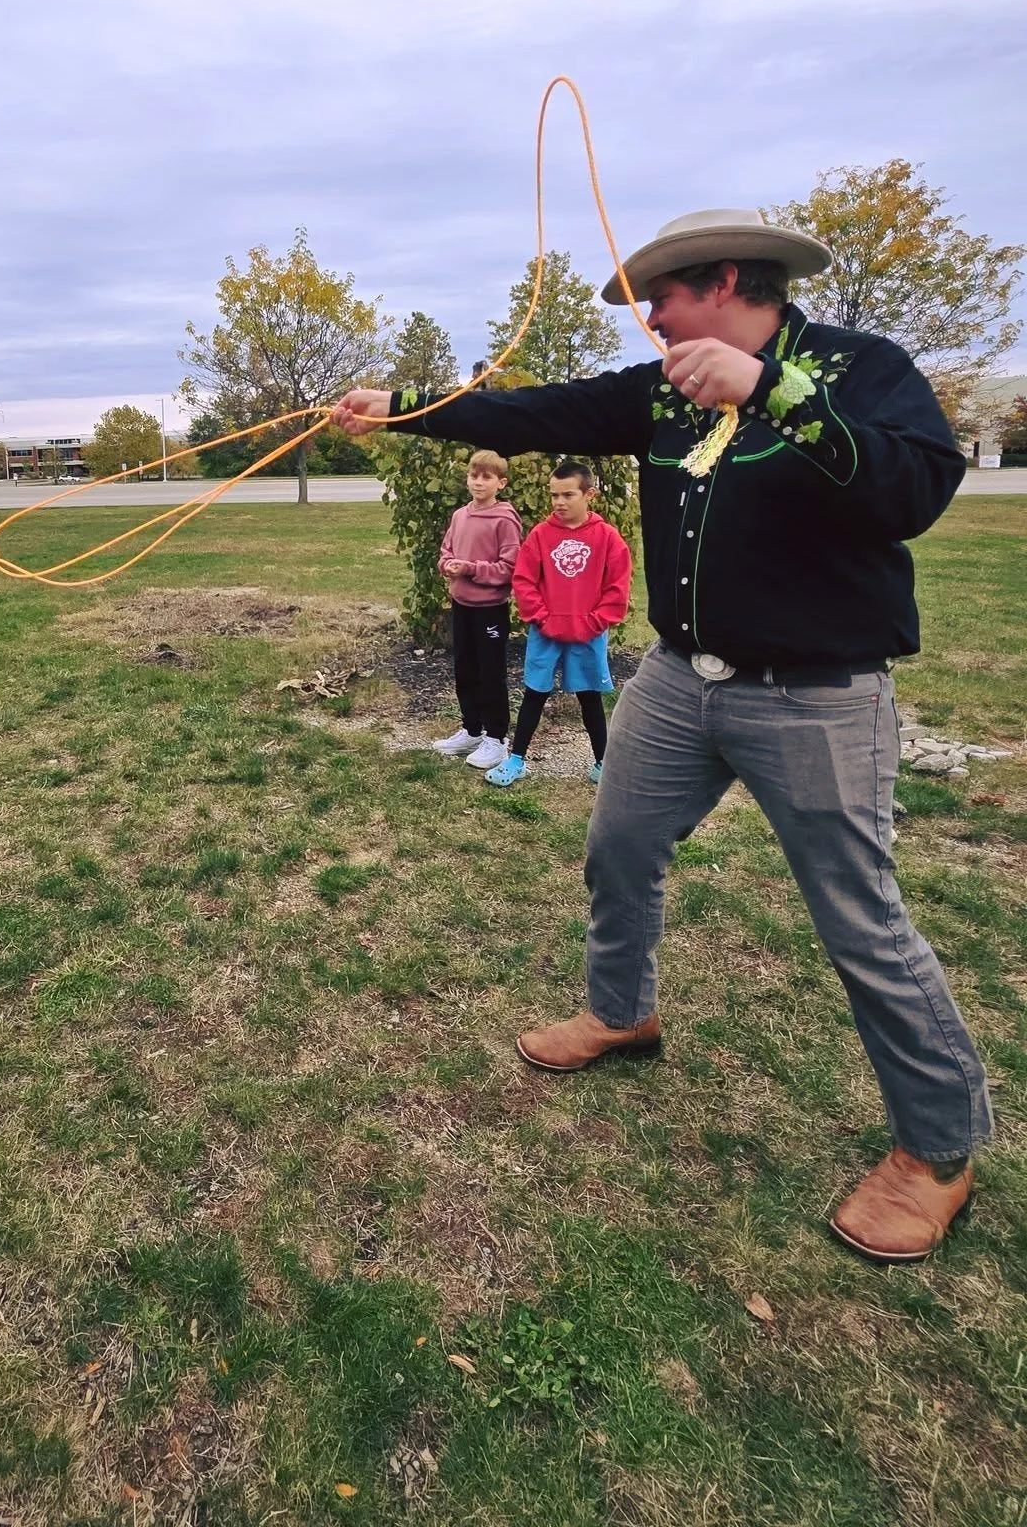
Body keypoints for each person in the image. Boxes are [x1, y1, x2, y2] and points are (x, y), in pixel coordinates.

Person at [334, 208, 990, 1263]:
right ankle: (622, 1013)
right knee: (619, 847)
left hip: (817, 695)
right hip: (681, 683)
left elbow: (914, 490)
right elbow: (534, 410)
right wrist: (404, 408)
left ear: (726, 282)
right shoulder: (659, 392)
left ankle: (939, 1150)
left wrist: (772, 393)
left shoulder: (861, 368)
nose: (648, 317)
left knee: (860, 922)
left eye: (663, 298)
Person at [488, 460, 632, 788]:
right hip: (546, 631)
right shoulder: (541, 535)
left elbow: (617, 588)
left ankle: (602, 763)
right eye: (554, 495)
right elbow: (524, 580)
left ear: (589, 494)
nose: (559, 502)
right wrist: (541, 617)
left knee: (589, 696)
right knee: (534, 693)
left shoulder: (607, 538)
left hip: (588, 634)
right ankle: (516, 760)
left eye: (568, 494)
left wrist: (595, 622)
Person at [431, 449, 523, 770]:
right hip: (462, 605)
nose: (478, 482)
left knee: (490, 673)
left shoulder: (505, 519)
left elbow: (509, 568)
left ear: (501, 483)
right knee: (465, 669)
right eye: (474, 475)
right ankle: (471, 730)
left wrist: (469, 568)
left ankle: (496, 739)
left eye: (486, 477)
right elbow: (446, 552)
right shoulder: (460, 516)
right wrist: (448, 565)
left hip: (490, 610)